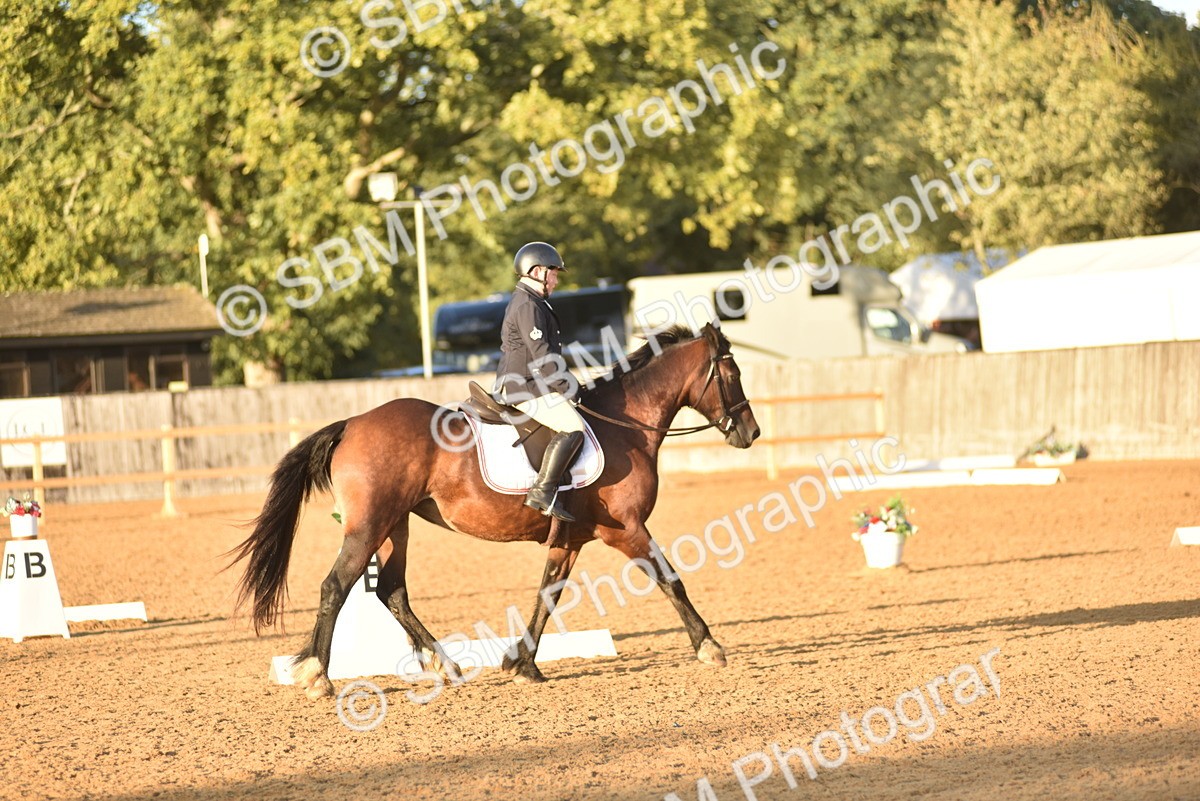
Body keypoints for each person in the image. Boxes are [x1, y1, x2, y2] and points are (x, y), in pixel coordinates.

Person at [493, 241, 585, 522]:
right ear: (536, 271)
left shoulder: (532, 301)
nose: (556, 280)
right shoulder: (527, 306)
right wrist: (569, 387)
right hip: (522, 387)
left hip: (531, 384)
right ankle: (543, 491)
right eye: (553, 273)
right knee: (573, 427)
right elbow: (543, 356)